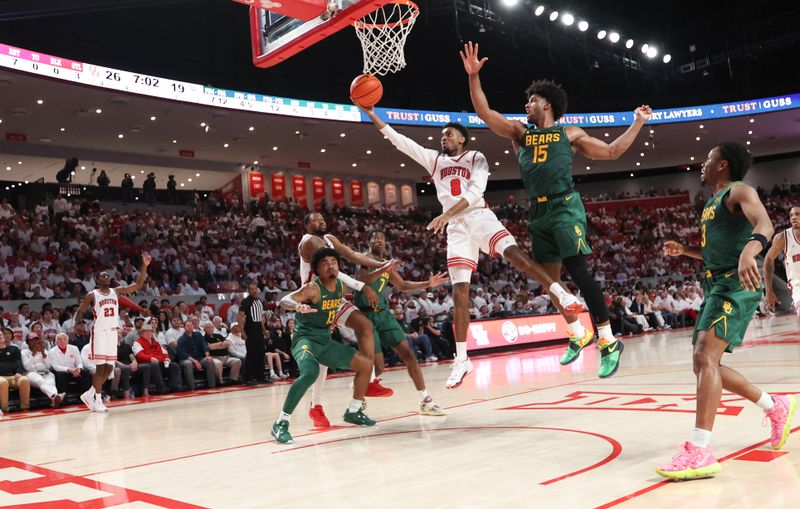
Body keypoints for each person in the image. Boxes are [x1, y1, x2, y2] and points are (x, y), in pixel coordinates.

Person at [460, 42, 652, 378]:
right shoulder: (520, 133)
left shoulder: (569, 133)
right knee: (551, 283)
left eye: (531, 100)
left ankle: (608, 341)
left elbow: (611, 152)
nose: (526, 104)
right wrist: (474, 77)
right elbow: (485, 114)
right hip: (537, 212)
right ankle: (579, 333)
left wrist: (637, 122)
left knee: (578, 270)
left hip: (565, 207)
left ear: (546, 103)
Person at [358, 102, 582, 390]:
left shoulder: (476, 157)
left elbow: (476, 192)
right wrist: (373, 115)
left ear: (462, 138)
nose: (444, 138)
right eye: (442, 135)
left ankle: (561, 294)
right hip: (456, 230)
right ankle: (462, 358)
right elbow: (401, 142)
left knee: (516, 256)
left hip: (478, 217)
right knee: (459, 292)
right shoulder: (434, 160)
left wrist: (446, 213)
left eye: (449, 134)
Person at [656, 142, 795, 480]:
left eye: (708, 158)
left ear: (723, 164)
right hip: (717, 281)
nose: (702, 163)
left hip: (737, 282)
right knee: (705, 362)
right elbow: (716, 253)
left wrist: (751, 251)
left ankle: (700, 449)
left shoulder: (739, 190)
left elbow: (763, 224)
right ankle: (774, 405)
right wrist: (686, 251)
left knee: (704, 358)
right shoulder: (711, 203)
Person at [271, 248, 377, 444]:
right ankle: (281, 423)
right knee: (310, 373)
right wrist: (297, 306)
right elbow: (285, 300)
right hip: (305, 340)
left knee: (365, 365)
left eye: (334, 262)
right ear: (317, 270)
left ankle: (353, 411)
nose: (331, 265)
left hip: (325, 340)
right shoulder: (313, 288)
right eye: (325, 263)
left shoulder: (339, 287)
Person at [297, 211, 392, 426]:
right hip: (316, 301)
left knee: (365, 326)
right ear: (306, 225)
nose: (321, 220)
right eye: (315, 219)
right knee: (322, 359)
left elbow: (352, 255)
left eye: (322, 218)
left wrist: (382, 265)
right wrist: (361, 285)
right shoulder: (307, 242)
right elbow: (333, 270)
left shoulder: (329, 238)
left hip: (335, 299)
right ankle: (315, 406)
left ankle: (367, 385)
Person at [354, 231, 446, 415]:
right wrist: (384, 268)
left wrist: (428, 283)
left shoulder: (387, 264)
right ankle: (357, 395)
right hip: (366, 317)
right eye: (375, 238)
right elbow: (362, 280)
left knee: (409, 355)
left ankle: (425, 400)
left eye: (382, 238)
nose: (379, 240)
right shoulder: (365, 259)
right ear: (369, 242)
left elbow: (403, 285)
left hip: (384, 314)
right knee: (378, 367)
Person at [72, 252, 152, 412]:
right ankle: (98, 400)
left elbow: (138, 284)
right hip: (100, 332)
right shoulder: (91, 295)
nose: (107, 277)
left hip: (112, 332)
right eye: (103, 276)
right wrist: (74, 327)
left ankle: (89, 394)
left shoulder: (116, 291)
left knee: (109, 369)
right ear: (98, 280)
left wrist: (145, 265)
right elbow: (80, 311)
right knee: (101, 367)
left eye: (108, 276)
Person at [764, 206, 800, 316]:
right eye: (791, 215)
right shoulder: (782, 238)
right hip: (798, 283)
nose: (793, 217)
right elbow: (768, 260)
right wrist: (769, 291)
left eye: (797, 214)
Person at [22, 333, 65, 408]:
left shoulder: (43, 350)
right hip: (31, 373)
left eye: (36, 340)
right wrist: (34, 353)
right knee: (40, 381)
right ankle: (54, 396)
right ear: (28, 342)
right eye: (32, 340)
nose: (35, 342)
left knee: (51, 381)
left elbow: (48, 366)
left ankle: (54, 399)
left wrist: (43, 354)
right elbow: (27, 367)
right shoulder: (24, 352)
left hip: (45, 372)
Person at [237, 284, 269, 386]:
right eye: (251, 289)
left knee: (261, 352)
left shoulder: (259, 301)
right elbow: (240, 316)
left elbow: (260, 317)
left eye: (255, 289)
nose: (254, 291)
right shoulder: (246, 301)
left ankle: (260, 376)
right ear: (249, 290)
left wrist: (264, 329)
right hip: (250, 328)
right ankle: (247, 378)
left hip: (258, 328)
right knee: (251, 353)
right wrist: (242, 331)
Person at [0, 329, 29, 414]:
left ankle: (25, 408)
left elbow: (19, 363)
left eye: (1, 334)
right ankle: (5, 410)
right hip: (1, 377)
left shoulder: (14, 349)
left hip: (14, 377)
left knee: (24, 380)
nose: (1, 336)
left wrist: (19, 372)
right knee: (3, 382)